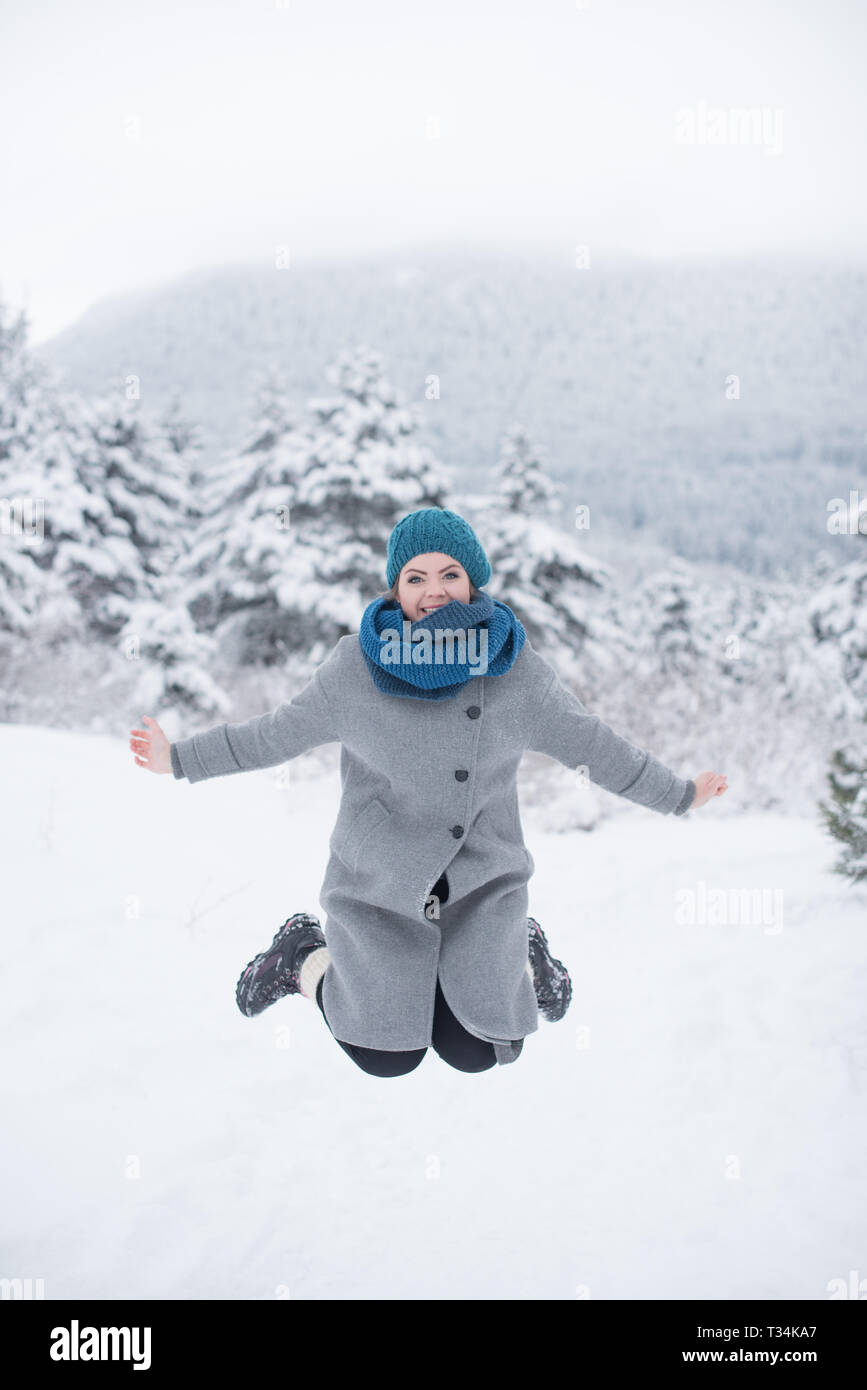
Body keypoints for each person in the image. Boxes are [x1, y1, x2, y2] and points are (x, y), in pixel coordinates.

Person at [129, 507, 727, 1078]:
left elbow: (595, 747)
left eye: (449, 574)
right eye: (415, 576)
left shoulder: (514, 673)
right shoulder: (355, 670)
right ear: (395, 589)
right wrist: (177, 759)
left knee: (476, 1049)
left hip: (481, 885)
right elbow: (272, 736)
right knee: (385, 1055)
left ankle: (524, 950)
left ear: (474, 582)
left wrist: (677, 794)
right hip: (380, 884)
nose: (433, 590)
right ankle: (302, 955)